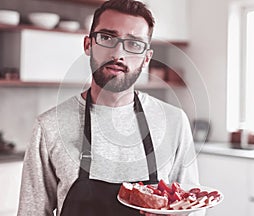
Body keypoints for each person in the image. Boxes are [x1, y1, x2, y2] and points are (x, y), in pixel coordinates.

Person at [17, 0, 203, 215]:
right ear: (88, 45)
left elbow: (193, 207)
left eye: (134, 44)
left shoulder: (174, 122)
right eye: (107, 38)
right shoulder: (49, 126)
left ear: (146, 58)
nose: (118, 54)